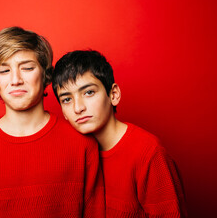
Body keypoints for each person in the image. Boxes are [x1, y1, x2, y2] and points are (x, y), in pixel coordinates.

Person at [0, 28, 105, 217]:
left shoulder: (82, 144)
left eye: (27, 68)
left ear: (46, 75)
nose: (16, 80)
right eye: (4, 70)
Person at [52, 50, 187, 217]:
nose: (78, 108)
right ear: (63, 112)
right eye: (67, 99)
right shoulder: (73, 155)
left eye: (89, 92)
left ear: (113, 95)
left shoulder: (149, 154)